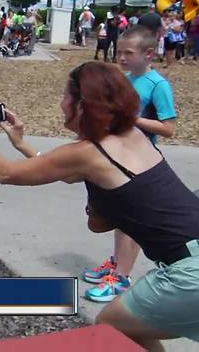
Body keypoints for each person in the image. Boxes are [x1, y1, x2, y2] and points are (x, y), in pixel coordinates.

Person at [0, 62, 199, 351]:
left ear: (81, 105)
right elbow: (67, 172)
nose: (60, 103)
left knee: (112, 327)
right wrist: (20, 143)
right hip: (191, 255)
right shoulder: (132, 135)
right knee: (128, 328)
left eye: (65, 95)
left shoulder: (87, 153)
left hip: (189, 272)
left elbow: (6, 174)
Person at [83, 26, 178, 303]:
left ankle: (122, 278)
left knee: (132, 223)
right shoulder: (123, 79)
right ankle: (116, 263)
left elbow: (168, 128)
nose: (121, 57)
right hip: (118, 159)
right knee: (119, 217)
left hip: (141, 163)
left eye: (128, 52)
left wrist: (130, 118)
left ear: (149, 54)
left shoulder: (158, 85)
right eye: (119, 51)